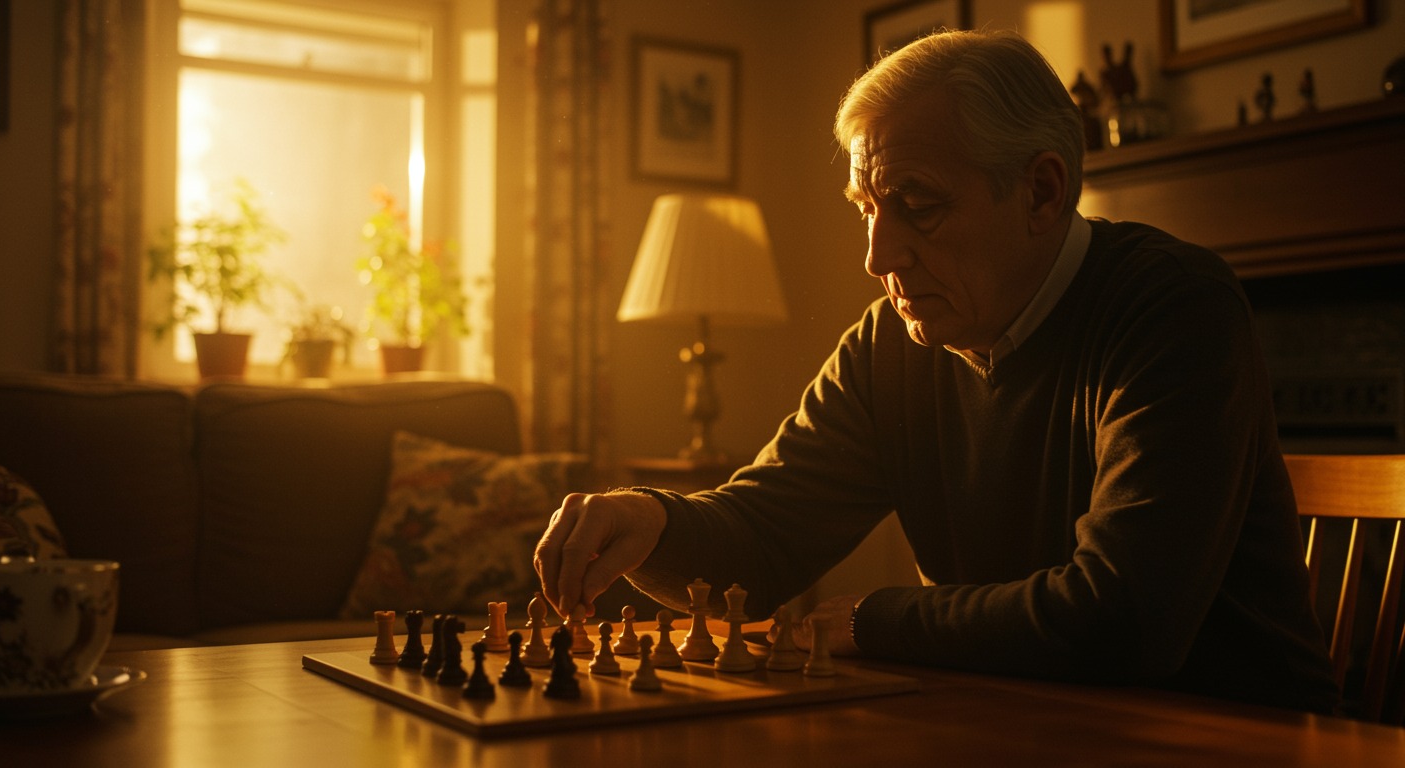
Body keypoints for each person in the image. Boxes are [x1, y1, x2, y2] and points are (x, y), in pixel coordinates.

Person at [534, 29, 1339, 713]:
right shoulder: (890, 343)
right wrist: (649, 519)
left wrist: (874, 620)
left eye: (917, 203)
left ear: (1042, 192)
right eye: (866, 207)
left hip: (1239, 737)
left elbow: (1126, 619)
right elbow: (763, 540)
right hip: (1022, 725)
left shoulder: (1175, 307)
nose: (878, 256)